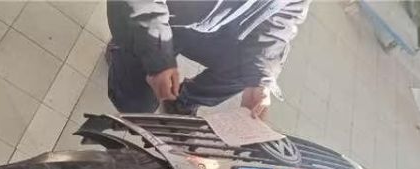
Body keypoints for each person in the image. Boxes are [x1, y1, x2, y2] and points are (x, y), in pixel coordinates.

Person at [106, 0, 311, 118]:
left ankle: (182, 102)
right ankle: (125, 47)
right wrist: (156, 54)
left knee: (250, 70)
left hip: (217, 27)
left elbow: (286, 15)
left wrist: (261, 81)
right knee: (136, 108)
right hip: (161, 14)